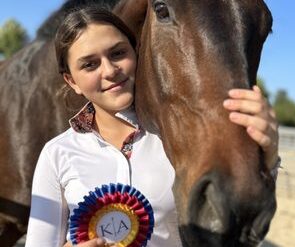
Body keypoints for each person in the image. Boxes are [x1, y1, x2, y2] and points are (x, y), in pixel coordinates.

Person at [25, 7, 279, 247]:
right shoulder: (56, 154)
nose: (110, 70)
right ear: (72, 81)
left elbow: (237, 230)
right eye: (90, 64)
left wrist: (266, 160)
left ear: (137, 52)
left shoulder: (177, 141)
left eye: (117, 53)